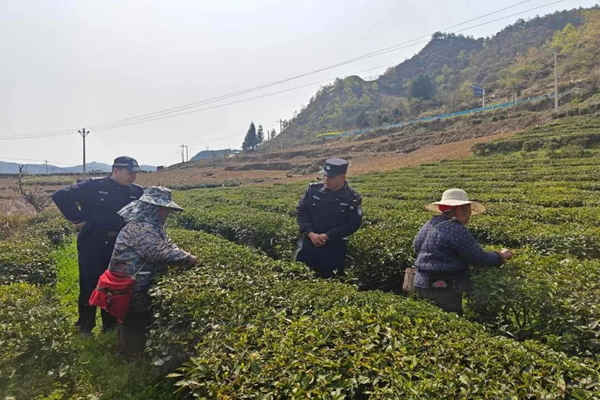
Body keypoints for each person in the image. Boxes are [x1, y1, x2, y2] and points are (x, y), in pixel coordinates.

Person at [52, 156, 144, 336]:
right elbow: (60, 196)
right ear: (116, 170)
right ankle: (85, 326)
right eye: (129, 172)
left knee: (113, 282)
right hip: (92, 241)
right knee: (89, 282)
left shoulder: (136, 191)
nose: (133, 176)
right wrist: (78, 219)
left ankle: (109, 325)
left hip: (119, 243)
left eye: (135, 173)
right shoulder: (93, 186)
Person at [108, 186, 198, 356]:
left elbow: (168, 244)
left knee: (136, 317)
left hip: (138, 280)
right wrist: (187, 258)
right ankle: (129, 357)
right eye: (164, 209)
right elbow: (157, 251)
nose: (167, 213)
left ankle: (128, 351)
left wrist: (181, 253)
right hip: (131, 283)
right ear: (153, 208)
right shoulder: (141, 228)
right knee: (133, 318)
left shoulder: (153, 225)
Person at [413, 188, 513, 315]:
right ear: (459, 210)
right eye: (469, 211)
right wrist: (500, 256)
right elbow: (478, 258)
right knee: (448, 321)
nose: (470, 216)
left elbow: (416, 246)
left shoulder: (429, 224)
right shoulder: (456, 229)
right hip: (444, 289)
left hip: (420, 283)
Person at [295, 158, 362, 278]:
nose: (326, 179)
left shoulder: (352, 198)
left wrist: (327, 235)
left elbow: (353, 224)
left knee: (331, 281)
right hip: (308, 245)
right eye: (324, 176)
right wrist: (311, 233)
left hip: (334, 249)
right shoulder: (313, 190)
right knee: (299, 277)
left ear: (343, 177)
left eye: (331, 177)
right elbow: (301, 213)